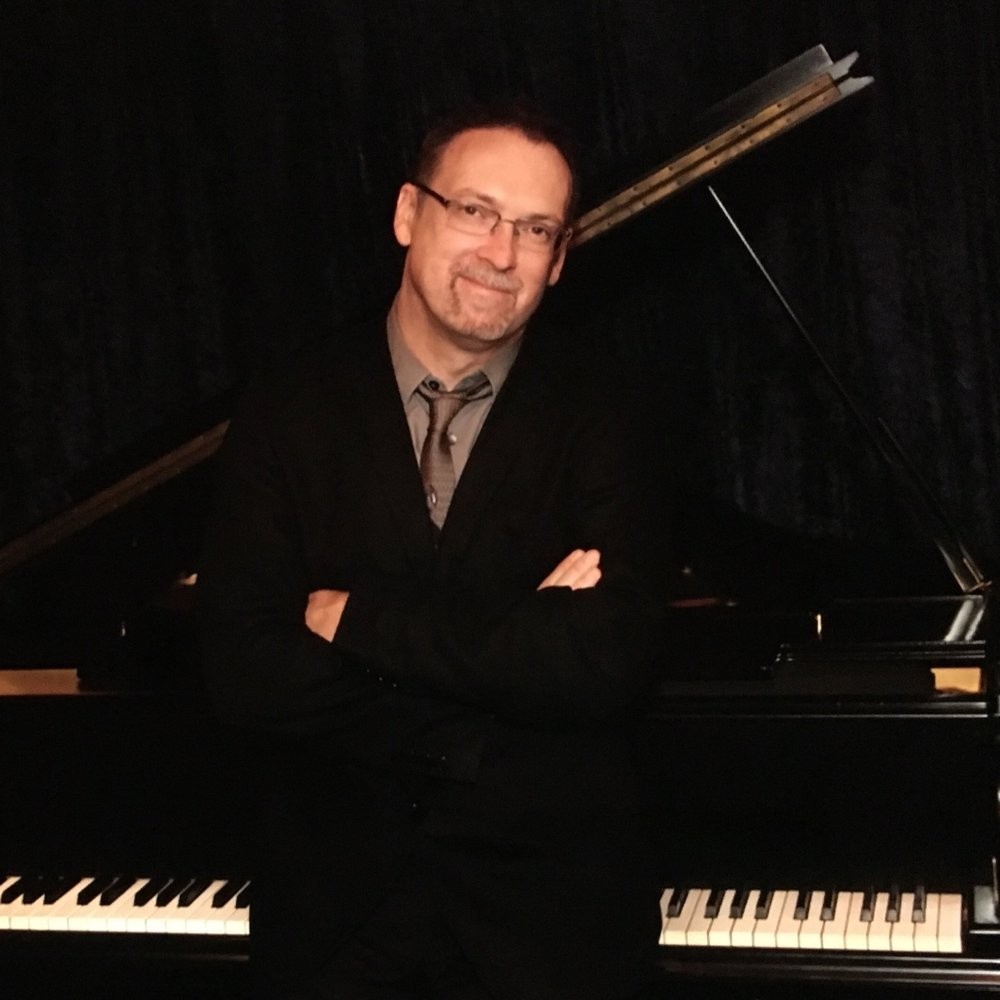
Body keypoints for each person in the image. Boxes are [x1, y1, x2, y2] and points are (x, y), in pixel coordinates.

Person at [198, 103, 671, 1000]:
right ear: (409, 215)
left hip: (552, 928)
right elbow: (244, 667)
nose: (501, 253)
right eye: (475, 211)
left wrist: (354, 617)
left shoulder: (610, 415)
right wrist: (508, 655)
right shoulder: (285, 407)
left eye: (535, 230)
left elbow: (602, 659)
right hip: (335, 920)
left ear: (560, 259)